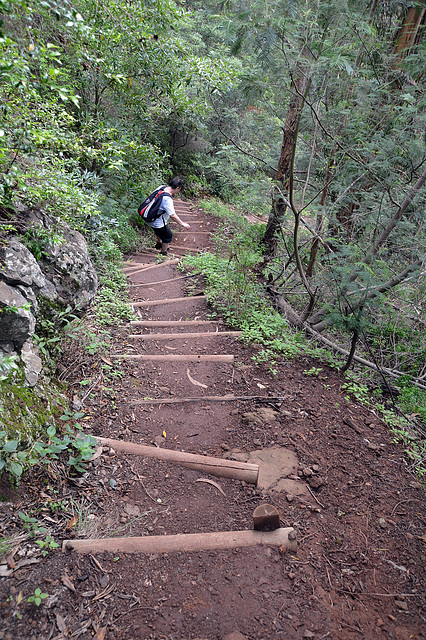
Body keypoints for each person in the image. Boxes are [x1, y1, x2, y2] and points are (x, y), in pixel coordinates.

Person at [143, 177, 190, 255]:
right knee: (168, 236)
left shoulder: (161, 187)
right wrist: (182, 223)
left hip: (148, 217)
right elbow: (172, 215)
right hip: (156, 222)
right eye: (179, 189)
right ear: (177, 188)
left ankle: (159, 243)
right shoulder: (167, 199)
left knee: (158, 231)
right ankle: (163, 252)